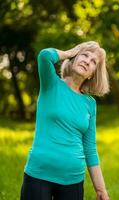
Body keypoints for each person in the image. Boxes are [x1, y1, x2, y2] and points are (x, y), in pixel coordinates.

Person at [21, 41, 110, 200]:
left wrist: (101, 190)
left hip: (73, 180)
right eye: (84, 55)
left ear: (92, 74)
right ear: (74, 58)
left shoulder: (90, 103)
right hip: (39, 174)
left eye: (93, 62)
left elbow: (90, 148)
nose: (87, 61)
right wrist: (71, 52)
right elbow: (45, 56)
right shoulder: (51, 84)